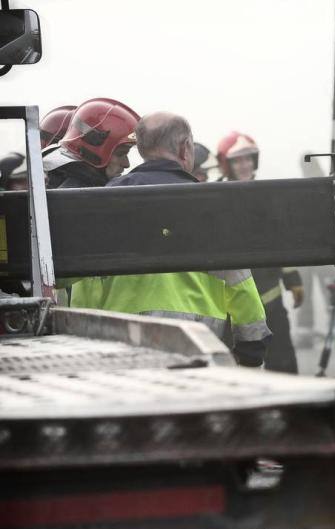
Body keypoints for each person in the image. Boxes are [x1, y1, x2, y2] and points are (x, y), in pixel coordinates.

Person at [69, 112, 271, 367]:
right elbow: (239, 280)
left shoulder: (105, 202)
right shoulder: (212, 207)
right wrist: (251, 346)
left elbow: (86, 278)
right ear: (185, 147)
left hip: (120, 348)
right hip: (197, 347)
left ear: (141, 149)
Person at [217, 130, 304, 373]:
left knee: (283, 363)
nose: (244, 165)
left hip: (271, 296)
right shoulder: (214, 198)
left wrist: (293, 280)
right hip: (232, 303)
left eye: (248, 159)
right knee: (234, 367)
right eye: (237, 160)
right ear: (227, 165)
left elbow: (282, 243)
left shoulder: (267, 196)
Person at [45, 98, 139, 188]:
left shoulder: (50, 174)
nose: (127, 164)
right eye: (121, 154)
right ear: (95, 153)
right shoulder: (79, 198)